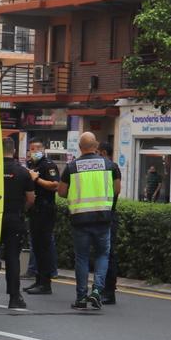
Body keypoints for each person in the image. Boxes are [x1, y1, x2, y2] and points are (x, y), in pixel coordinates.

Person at [57, 132, 120, 309]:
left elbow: (61, 192)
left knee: (82, 258)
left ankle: (81, 298)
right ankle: (98, 291)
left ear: (80, 147)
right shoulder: (110, 165)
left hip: (80, 219)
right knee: (102, 255)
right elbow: (116, 189)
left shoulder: (71, 167)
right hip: (103, 218)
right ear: (96, 145)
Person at [0, 137, 35, 310]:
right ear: (14, 151)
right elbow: (30, 199)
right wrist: (21, 209)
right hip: (15, 218)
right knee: (13, 258)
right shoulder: (23, 172)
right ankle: (14, 297)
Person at [23, 138, 60, 295]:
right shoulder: (32, 165)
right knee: (36, 247)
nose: (32, 152)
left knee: (44, 247)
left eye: (35, 149)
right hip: (35, 210)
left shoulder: (48, 165)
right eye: (31, 149)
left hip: (45, 210)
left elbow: (55, 185)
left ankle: (46, 283)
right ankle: (38, 280)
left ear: (42, 150)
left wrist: (36, 179)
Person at [98, 141, 121, 305]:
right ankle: (103, 289)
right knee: (103, 253)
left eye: (98, 152)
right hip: (104, 214)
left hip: (108, 215)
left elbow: (116, 190)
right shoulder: (109, 167)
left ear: (104, 152)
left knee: (108, 253)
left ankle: (109, 291)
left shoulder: (111, 167)